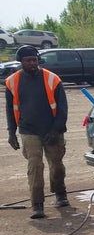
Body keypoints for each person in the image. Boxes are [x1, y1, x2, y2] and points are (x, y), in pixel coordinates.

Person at [5, 45, 69, 219]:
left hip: (52, 129)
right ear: (21, 62)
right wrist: (12, 133)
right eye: (28, 60)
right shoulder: (12, 82)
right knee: (35, 166)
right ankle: (37, 205)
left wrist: (55, 130)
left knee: (56, 165)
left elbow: (62, 109)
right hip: (28, 130)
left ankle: (60, 193)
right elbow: (10, 110)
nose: (32, 63)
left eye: (35, 60)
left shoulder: (52, 79)